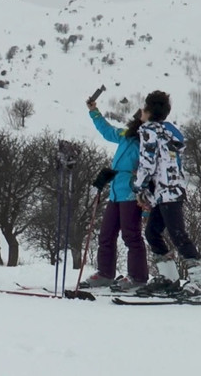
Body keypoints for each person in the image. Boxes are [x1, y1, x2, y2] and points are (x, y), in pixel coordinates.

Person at [131, 90, 201, 297]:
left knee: (178, 235)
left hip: (166, 193)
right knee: (152, 233)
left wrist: (139, 187)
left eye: (144, 107)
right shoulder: (169, 131)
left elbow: (147, 163)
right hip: (170, 190)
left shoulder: (148, 130)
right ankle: (169, 278)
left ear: (148, 110)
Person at [79, 100, 149, 291]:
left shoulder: (146, 142)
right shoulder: (126, 135)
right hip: (116, 192)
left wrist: (144, 198)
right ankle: (105, 274)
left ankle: (138, 277)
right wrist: (94, 112)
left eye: (141, 114)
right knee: (106, 234)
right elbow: (108, 131)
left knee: (131, 235)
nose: (137, 116)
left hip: (131, 193)